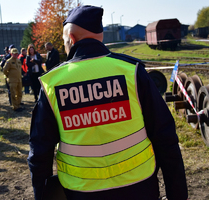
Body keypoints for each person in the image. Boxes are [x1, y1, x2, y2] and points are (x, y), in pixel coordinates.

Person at [27, 5, 188, 200]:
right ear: (100, 37)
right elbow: (165, 137)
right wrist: (177, 194)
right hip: (140, 188)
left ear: (71, 39)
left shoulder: (52, 84)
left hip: (81, 193)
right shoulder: (132, 72)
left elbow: (40, 155)